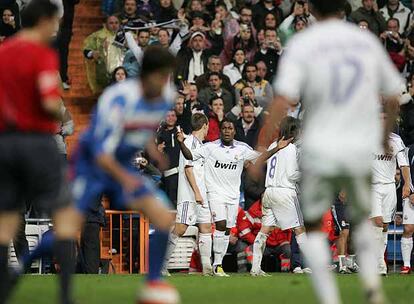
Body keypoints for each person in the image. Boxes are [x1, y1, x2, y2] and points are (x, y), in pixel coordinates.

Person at [267, 0, 402, 303]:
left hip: (321, 143)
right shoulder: (365, 41)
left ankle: (328, 295)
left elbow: (283, 98)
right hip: (357, 142)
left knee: (313, 223)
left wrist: (265, 145)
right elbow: (394, 94)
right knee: (362, 218)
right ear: (343, 11)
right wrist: (383, 136)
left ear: (313, 11)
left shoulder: (304, 43)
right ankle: (372, 284)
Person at [70, 45, 179, 303]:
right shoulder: (118, 98)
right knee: (65, 227)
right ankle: (21, 273)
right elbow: (100, 152)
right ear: (146, 74)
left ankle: (152, 285)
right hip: (91, 165)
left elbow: (143, 128)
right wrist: (127, 177)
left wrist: (154, 151)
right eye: (163, 75)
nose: (167, 82)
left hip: (121, 166)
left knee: (162, 217)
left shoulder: (165, 95)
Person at [0, 1, 73, 303]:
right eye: (53, 22)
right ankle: (66, 296)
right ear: (42, 21)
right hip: (38, 143)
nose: (55, 28)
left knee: (5, 222)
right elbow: (47, 102)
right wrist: (65, 116)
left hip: (5, 143)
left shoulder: (2, 54)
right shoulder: (42, 55)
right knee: (65, 217)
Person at [177, 118, 292, 276]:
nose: (226, 131)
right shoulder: (210, 147)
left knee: (227, 230)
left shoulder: (242, 148)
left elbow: (260, 157)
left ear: (234, 131)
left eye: (229, 128)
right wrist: (181, 143)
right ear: (220, 130)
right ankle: (217, 265)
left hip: (233, 196)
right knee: (221, 225)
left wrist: (277, 148)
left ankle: (218, 263)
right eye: (224, 128)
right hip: (215, 193)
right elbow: (189, 156)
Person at [250, 117, 306, 276]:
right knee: (299, 228)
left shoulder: (273, 145)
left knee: (264, 230)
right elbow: (291, 174)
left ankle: (255, 268)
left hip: (269, 192)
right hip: (285, 192)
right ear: (294, 131)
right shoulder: (292, 149)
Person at [163, 113, 213, 276]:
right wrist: (197, 193)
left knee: (205, 228)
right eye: (208, 127)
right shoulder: (190, 143)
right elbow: (188, 169)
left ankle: (207, 268)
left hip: (201, 196)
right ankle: (161, 265)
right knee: (180, 228)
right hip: (189, 196)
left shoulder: (200, 145)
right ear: (205, 125)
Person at [370, 112, 411, 275]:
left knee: (385, 225)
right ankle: (380, 264)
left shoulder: (395, 140)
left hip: (389, 187)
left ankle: (378, 259)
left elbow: (404, 165)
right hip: (372, 187)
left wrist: (407, 184)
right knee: (377, 223)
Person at [83, 15, 122, 93]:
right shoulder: (97, 36)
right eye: (111, 23)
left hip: (122, 72)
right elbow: (86, 50)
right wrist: (92, 53)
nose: (114, 25)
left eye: (116, 23)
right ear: (105, 24)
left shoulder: (125, 35)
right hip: (104, 71)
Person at [331, 191, 360, 274]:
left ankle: (351, 264)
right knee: (344, 232)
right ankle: (342, 265)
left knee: (353, 234)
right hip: (340, 204)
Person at [157, 110, 181, 208]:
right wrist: (158, 150)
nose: (170, 118)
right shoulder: (160, 135)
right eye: (168, 116)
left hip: (181, 173)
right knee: (170, 204)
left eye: (173, 115)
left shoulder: (181, 132)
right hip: (168, 175)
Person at [401, 143, 414, 274]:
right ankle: (406, 265)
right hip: (411, 194)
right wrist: (411, 192)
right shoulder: (408, 150)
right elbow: (406, 171)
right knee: (409, 228)